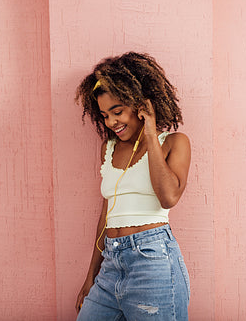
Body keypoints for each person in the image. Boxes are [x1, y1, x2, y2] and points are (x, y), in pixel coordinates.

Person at [74, 52, 191, 321]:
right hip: (111, 264)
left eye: (118, 112)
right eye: (104, 115)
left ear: (140, 105)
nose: (111, 122)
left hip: (152, 261)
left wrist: (150, 132)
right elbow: (106, 215)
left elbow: (169, 197)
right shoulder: (109, 148)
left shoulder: (174, 142)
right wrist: (90, 276)